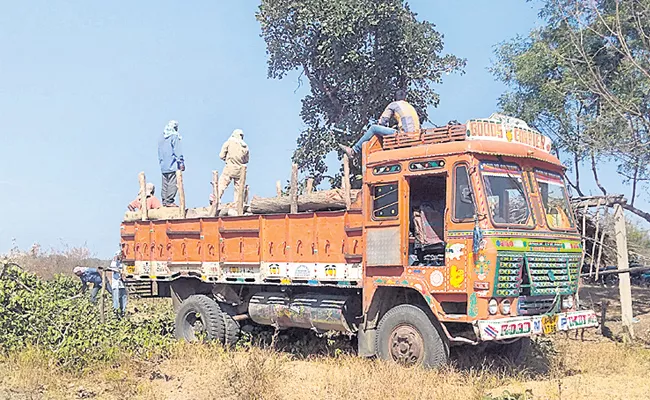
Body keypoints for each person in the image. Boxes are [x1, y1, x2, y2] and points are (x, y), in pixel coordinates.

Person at [339, 89, 420, 157]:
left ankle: (353, 151)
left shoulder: (393, 105)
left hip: (404, 136)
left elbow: (383, 121)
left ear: (395, 98)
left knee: (374, 128)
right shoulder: (410, 106)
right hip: (416, 137)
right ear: (405, 99)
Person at [158, 120, 185, 207]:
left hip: (163, 165)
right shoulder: (174, 136)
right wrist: (181, 162)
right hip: (172, 164)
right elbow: (177, 150)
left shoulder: (162, 138)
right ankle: (169, 201)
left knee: (165, 184)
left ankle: (164, 201)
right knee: (173, 183)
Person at [218, 129, 249, 203]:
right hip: (240, 170)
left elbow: (221, 155)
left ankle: (216, 199)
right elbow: (246, 160)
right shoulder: (245, 146)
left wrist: (228, 159)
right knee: (238, 189)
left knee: (222, 184)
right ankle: (237, 203)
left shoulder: (229, 142)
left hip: (229, 167)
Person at [109, 251, 128, 317]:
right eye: (120, 255)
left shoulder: (122, 263)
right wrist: (120, 272)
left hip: (122, 284)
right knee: (116, 298)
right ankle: (116, 312)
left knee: (124, 297)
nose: (121, 256)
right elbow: (113, 268)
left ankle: (123, 311)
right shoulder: (114, 262)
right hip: (116, 283)